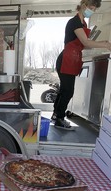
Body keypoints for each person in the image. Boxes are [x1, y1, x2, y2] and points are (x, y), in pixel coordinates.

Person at [52, 0, 111, 130]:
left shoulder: (83, 23)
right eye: (92, 8)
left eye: (94, 9)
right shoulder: (75, 22)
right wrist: (106, 44)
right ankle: (59, 119)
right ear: (84, 6)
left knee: (64, 90)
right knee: (68, 91)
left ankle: (56, 115)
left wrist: (102, 42)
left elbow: (83, 45)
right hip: (67, 59)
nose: (93, 11)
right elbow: (86, 42)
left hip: (72, 59)